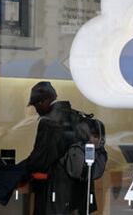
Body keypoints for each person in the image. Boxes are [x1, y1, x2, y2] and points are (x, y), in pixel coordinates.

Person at [19, 81, 95, 214]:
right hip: (78, 193)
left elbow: (40, 160)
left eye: (36, 105)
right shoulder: (77, 117)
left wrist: (16, 171)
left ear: (45, 101)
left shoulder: (49, 123)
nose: (36, 110)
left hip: (55, 193)